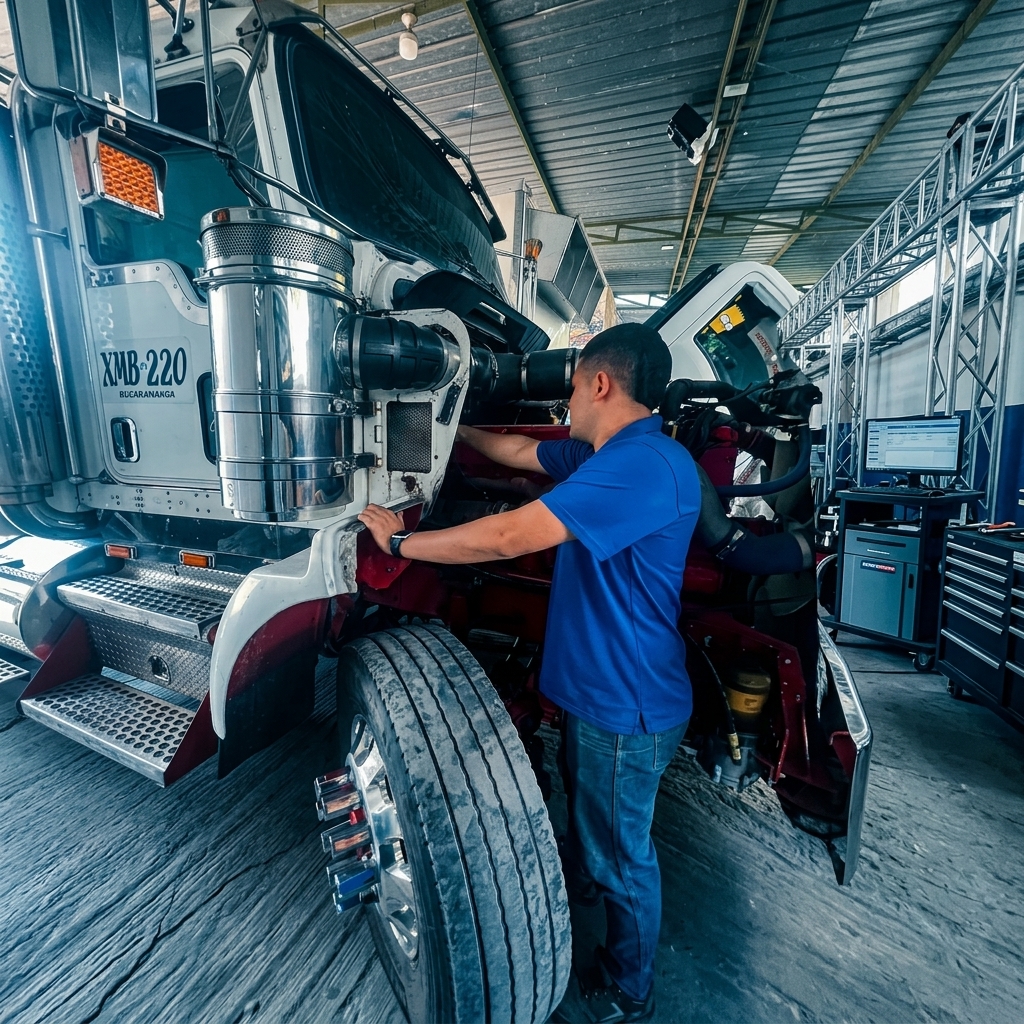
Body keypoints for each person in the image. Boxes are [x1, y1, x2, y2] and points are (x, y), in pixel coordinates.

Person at [358, 322, 700, 1024]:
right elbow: (519, 449)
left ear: (601, 383)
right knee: (596, 824)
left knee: (622, 857)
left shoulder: (644, 465)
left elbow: (514, 533)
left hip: (624, 707)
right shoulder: (611, 453)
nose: (568, 403)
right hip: (605, 698)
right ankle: (583, 881)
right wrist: (453, 428)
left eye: (573, 388)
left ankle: (629, 988)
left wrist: (402, 541)